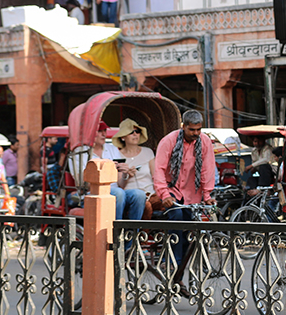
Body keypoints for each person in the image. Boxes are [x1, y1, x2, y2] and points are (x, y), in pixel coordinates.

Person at [153, 110, 217, 268]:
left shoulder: (205, 142)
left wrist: (207, 195)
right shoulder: (169, 141)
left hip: (192, 193)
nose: (196, 133)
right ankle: (172, 261)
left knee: (190, 225)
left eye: (198, 130)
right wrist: (164, 194)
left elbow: (207, 170)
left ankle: (184, 265)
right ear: (183, 127)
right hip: (171, 191)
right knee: (176, 218)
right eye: (192, 130)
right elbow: (159, 169)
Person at [82, 121, 146, 222]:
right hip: (93, 192)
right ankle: (117, 231)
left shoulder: (112, 149)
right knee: (118, 193)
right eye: (100, 131)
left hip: (116, 191)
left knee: (139, 194)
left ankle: (133, 233)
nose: (104, 134)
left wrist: (125, 174)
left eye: (104, 131)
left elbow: (120, 184)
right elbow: (84, 184)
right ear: (91, 133)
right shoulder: (81, 153)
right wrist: (107, 170)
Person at [114, 119, 159, 219]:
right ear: (122, 137)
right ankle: (140, 234)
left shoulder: (148, 152)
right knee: (145, 206)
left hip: (151, 194)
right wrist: (127, 175)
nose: (135, 134)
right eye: (131, 132)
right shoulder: (117, 155)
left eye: (137, 131)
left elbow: (156, 176)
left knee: (170, 203)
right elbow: (120, 185)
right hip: (132, 196)